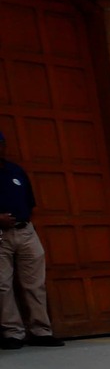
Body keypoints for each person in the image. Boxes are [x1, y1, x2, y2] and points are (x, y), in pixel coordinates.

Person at [0, 130, 59, 349]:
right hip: (0, 234)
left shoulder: (15, 171)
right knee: (2, 285)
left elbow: (29, 202)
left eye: (0, 144)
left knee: (34, 283)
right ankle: (12, 333)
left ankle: (41, 330)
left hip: (25, 231)